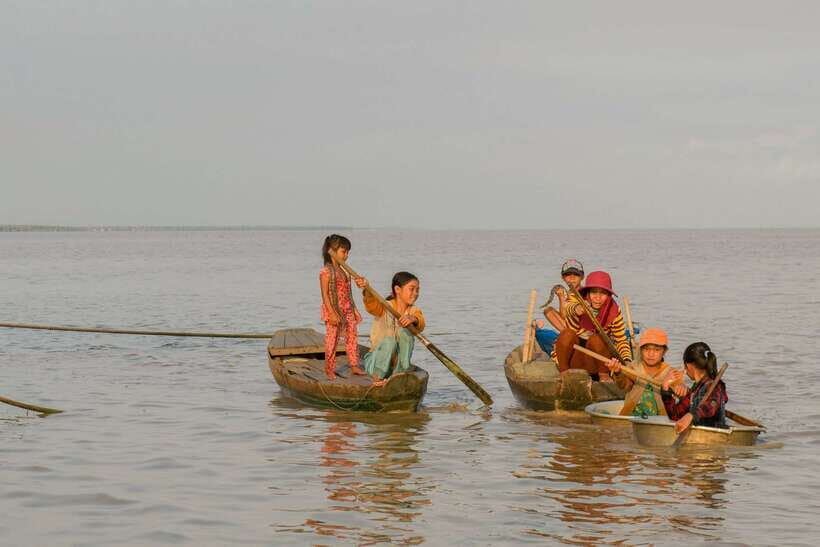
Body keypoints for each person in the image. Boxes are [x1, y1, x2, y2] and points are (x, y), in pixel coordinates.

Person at [554, 270, 632, 382]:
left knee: (597, 338)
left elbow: (621, 340)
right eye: (594, 292)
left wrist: (627, 361)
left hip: (598, 362)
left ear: (608, 295)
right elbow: (568, 308)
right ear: (588, 293)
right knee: (567, 334)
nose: (598, 298)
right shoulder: (577, 299)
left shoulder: (614, 310)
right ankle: (564, 373)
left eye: (603, 293)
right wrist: (577, 309)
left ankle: (604, 376)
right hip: (573, 359)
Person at [362, 272, 425, 386]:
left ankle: (401, 372)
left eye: (417, 290)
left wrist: (413, 319)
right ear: (397, 289)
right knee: (390, 342)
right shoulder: (384, 306)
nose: (415, 293)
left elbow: (420, 323)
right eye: (411, 289)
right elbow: (371, 305)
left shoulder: (413, 311)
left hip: (396, 367)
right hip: (376, 364)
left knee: (406, 333)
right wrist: (367, 289)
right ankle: (377, 378)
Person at [319, 234, 367, 380]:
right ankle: (329, 369)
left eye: (347, 252)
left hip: (347, 309)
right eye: (343, 251)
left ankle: (354, 365)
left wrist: (355, 310)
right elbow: (325, 295)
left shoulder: (345, 271)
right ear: (331, 251)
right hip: (333, 309)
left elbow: (348, 293)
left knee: (352, 336)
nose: (346, 255)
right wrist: (332, 313)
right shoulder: (326, 272)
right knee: (332, 339)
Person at [605, 328, 677, 416]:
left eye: (657, 350)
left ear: (664, 351)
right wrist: (618, 373)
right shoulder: (633, 367)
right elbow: (625, 386)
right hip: (633, 416)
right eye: (646, 349)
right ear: (641, 350)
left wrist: (680, 387)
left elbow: (678, 387)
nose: (651, 354)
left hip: (660, 417)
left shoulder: (669, 372)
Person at [662, 342, 728, 431]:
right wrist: (666, 390)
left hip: (714, 435)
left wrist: (692, 415)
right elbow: (675, 416)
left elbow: (711, 405)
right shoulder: (694, 391)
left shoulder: (714, 386)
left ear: (688, 365)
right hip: (697, 436)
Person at [534, 259, 585, 355]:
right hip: (570, 330)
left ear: (582, 277)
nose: (572, 278)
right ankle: (566, 336)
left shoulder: (586, 293)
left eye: (576, 275)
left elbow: (568, 316)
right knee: (548, 310)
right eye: (568, 275)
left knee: (541, 334)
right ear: (563, 278)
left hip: (582, 332)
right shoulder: (567, 294)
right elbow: (564, 317)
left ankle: (568, 338)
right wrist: (561, 297)